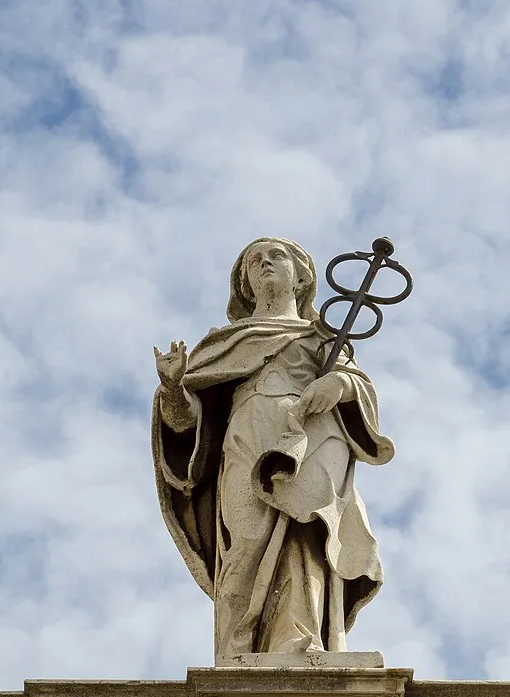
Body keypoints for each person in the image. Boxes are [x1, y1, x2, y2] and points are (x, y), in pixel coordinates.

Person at [152, 237, 391, 661]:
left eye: (275, 256)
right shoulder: (224, 344)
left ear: (302, 276)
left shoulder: (322, 337)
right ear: (244, 283)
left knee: (307, 534)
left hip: (313, 438)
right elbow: (186, 424)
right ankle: (238, 649)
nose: (264, 264)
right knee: (245, 539)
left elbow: (359, 386)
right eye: (253, 262)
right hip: (245, 438)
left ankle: (301, 642)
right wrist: (173, 386)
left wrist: (334, 384)